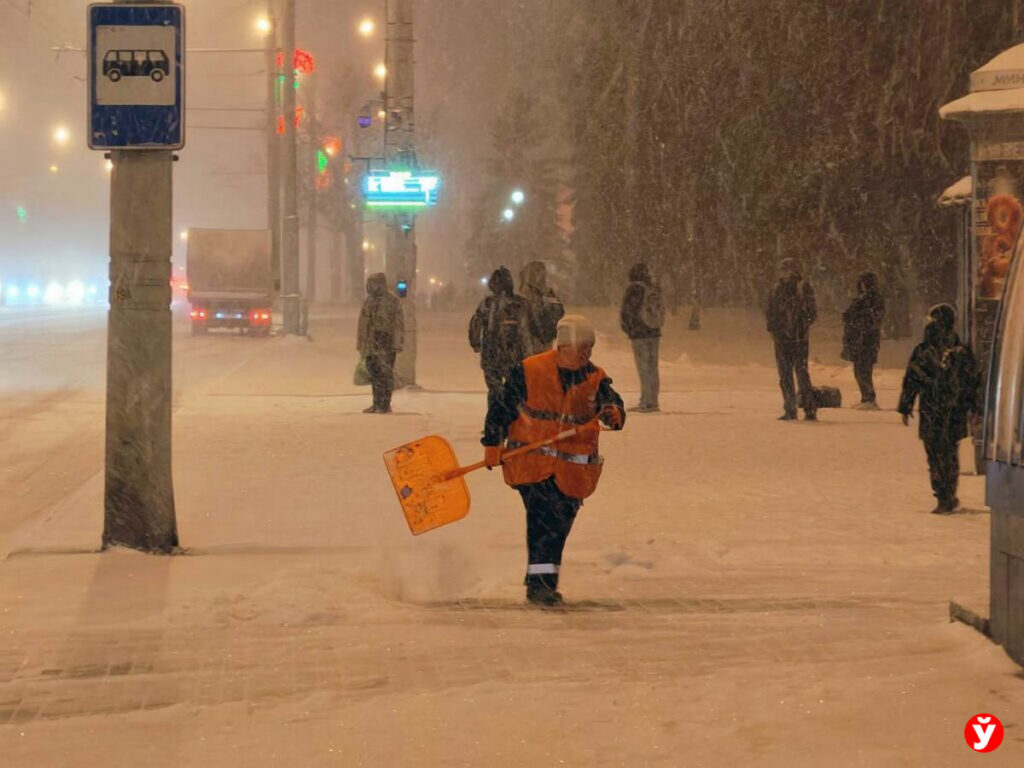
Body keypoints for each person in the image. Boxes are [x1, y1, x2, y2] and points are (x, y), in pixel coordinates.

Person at [482, 314, 625, 606]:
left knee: (558, 526)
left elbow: (612, 402)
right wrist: (493, 443)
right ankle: (541, 587)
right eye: (582, 346)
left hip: (572, 471)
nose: (586, 353)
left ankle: (540, 580)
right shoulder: (529, 371)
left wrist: (614, 413)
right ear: (564, 345)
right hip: (532, 464)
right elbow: (501, 407)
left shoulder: (595, 378)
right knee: (544, 521)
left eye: (590, 347)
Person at [897, 304, 980, 514]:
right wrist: (974, 407)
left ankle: (944, 495)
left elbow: (912, 379)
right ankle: (947, 494)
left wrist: (906, 406)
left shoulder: (924, 351)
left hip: (932, 410)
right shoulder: (960, 350)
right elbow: (971, 382)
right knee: (948, 454)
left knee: (936, 454)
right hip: (952, 412)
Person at [468, 266, 529, 412]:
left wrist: (475, 343)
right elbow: (528, 327)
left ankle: (495, 418)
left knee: (495, 390)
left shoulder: (488, 303)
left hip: (491, 353)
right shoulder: (520, 303)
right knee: (514, 389)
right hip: (514, 353)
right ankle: (513, 416)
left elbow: (475, 323)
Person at [766, 257, 818, 421]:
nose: (784, 273)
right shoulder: (778, 289)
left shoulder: (801, 287)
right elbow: (770, 311)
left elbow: (811, 312)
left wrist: (799, 327)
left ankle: (804, 408)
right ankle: (794, 408)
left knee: (796, 373)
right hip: (786, 337)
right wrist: (775, 328)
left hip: (795, 337)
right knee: (789, 374)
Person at [619, 262, 665, 412]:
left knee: (643, 368)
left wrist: (628, 328)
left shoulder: (634, 288)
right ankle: (653, 400)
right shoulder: (653, 288)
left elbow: (628, 311)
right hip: (654, 331)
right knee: (652, 367)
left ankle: (646, 401)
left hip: (640, 333)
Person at [356, 272, 404, 414]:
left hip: (386, 343)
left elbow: (398, 324)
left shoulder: (392, 301)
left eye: (372, 283)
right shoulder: (369, 301)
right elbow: (362, 324)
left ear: (380, 285)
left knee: (385, 375)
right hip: (371, 343)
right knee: (374, 375)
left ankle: (384, 404)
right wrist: (361, 343)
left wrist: (397, 342)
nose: (368, 286)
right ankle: (376, 403)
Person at [842, 271, 885, 409]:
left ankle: (869, 398)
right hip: (858, 339)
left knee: (864, 370)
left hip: (866, 340)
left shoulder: (873, 300)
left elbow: (872, 320)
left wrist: (857, 322)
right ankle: (866, 397)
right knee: (859, 370)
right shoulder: (862, 299)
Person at [519, 260, 565, 357]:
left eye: (541, 271)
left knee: (542, 359)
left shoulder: (548, 293)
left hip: (545, 336)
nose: (540, 275)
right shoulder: (526, 293)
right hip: (534, 336)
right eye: (537, 271)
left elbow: (559, 311)